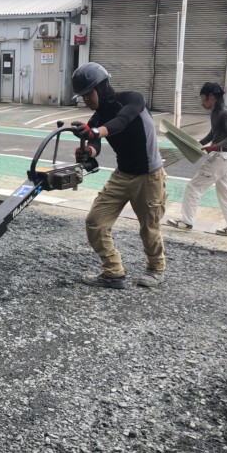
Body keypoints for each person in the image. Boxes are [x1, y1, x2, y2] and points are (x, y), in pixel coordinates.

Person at [71, 62, 167, 289]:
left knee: (149, 227)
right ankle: (113, 273)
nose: (86, 100)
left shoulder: (133, 99)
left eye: (88, 93)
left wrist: (95, 131)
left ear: (102, 87)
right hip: (122, 175)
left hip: (150, 175)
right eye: (82, 96)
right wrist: (88, 150)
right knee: (95, 221)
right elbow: (96, 143)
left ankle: (156, 268)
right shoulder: (97, 118)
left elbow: (121, 121)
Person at [165, 82, 227, 237]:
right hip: (224, 157)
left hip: (221, 157)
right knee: (225, 190)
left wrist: (214, 147)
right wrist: (196, 145)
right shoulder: (216, 112)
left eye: (203, 98)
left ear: (212, 97)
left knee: (194, 186)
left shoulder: (224, 113)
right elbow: (212, 135)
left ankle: (186, 222)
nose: (202, 103)